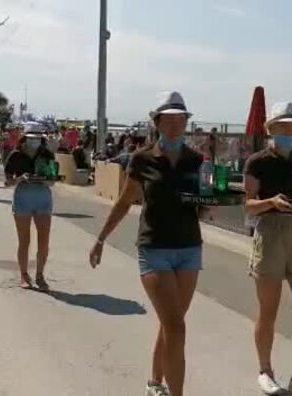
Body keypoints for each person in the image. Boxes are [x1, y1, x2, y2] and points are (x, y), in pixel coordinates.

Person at [89, 91, 207, 396]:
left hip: (190, 249)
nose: (175, 126)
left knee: (172, 322)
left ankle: (155, 382)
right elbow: (126, 201)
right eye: (168, 120)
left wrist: (209, 204)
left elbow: (202, 205)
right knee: (177, 327)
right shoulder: (141, 159)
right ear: (156, 123)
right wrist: (101, 238)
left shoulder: (196, 160)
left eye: (180, 119)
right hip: (154, 249)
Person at [243, 102, 292, 396]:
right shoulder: (257, 162)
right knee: (268, 311)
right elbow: (248, 206)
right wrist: (271, 202)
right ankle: (265, 370)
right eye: (283, 126)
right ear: (270, 129)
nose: (290, 131)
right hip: (270, 233)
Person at [4, 134, 56, 291]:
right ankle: (24, 274)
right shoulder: (15, 155)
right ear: (24, 139)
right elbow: (7, 181)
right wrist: (19, 179)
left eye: (38, 138)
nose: (35, 141)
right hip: (23, 197)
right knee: (24, 240)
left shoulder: (47, 155)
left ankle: (40, 275)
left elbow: (52, 179)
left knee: (44, 240)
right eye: (31, 138)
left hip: (42, 197)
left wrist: (45, 179)